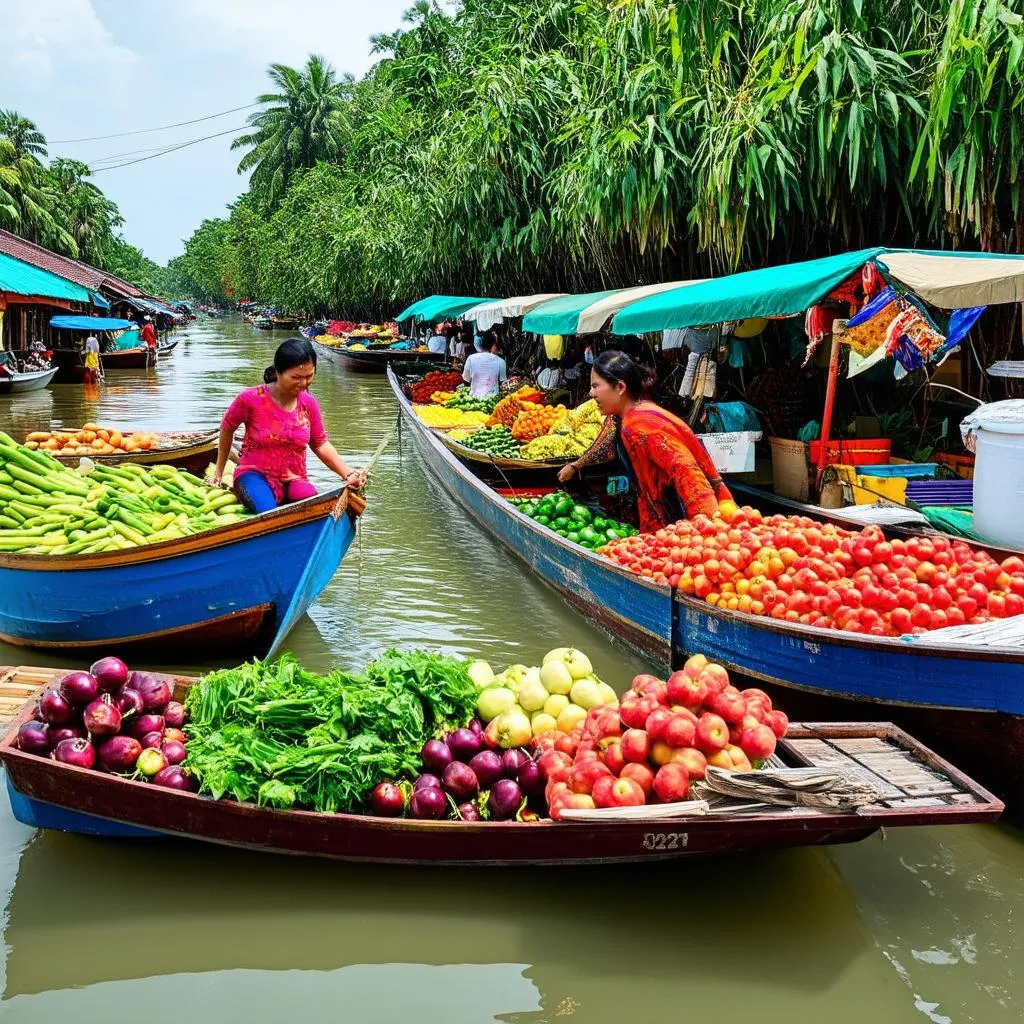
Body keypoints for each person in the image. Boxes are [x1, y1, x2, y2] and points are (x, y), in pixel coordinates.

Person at [557, 350, 732, 532]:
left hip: (682, 524)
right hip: (669, 521)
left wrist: (708, 530)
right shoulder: (631, 415)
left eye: (595, 386)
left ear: (620, 387)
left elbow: (687, 473)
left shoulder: (640, 425)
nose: (591, 393)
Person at [213, 338, 367, 514]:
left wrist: (347, 474)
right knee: (268, 512)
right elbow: (227, 428)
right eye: (296, 377)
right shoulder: (250, 398)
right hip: (253, 473)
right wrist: (218, 473)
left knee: (315, 508)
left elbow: (320, 443)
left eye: (309, 376)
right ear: (278, 372)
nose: (303, 384)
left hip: (294, 478)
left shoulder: (309, 403)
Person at [462, 333, 507, 399]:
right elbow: (503, 382)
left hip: (474, 399)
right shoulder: (501, 361)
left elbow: (466, 380)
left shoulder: (471, 358)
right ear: (493, 344)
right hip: (493, 399)